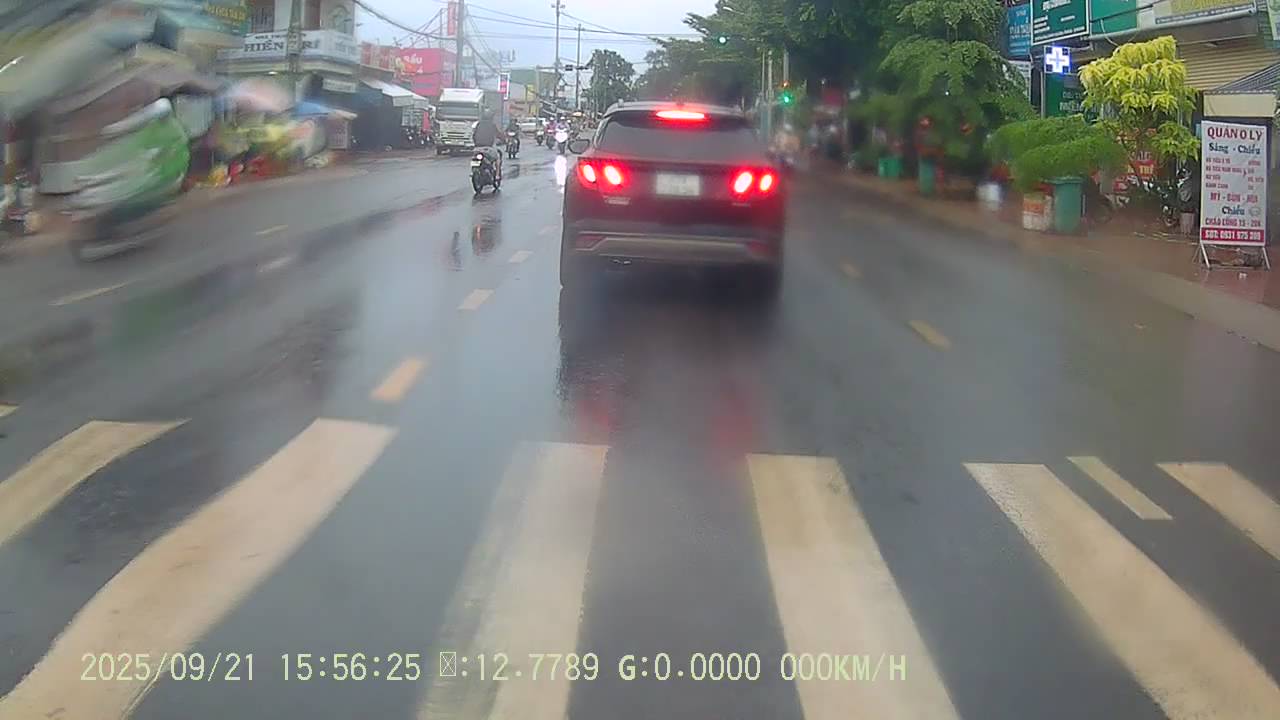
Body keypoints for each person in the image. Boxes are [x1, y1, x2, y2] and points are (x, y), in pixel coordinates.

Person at [472, 110, 502, 176]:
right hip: (488, 148)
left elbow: (474, 135)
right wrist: (504, 140)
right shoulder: (492, 125)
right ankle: (497, 175)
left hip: (477, 148)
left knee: (474, 159)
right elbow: (499, 135)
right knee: (497, 159)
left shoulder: (478, 124)